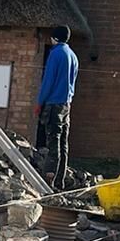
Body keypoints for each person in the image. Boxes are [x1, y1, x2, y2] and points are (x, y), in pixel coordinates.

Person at [35, 25, 79, 189]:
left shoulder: (55, 54)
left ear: (55, 38)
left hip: (54, 104)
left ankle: (49, 181)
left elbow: (48, 82)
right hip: (66, 104)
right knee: (63, 143)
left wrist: (40, 102)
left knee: (53, 142)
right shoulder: (73, 56)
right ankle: (60, 180)